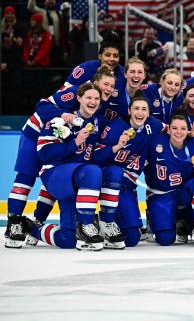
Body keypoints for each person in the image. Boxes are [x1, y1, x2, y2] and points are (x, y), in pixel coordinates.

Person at [6, 83, 123, 251]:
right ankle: (86, 226)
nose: (93, 101)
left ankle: (30, 227)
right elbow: (45, 153)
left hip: (76, 180)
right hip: (56, 176)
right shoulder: (61, 121)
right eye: (89, 97)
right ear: (78, 98)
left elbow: (92, 155)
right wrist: (75, 142)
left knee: (67, 239)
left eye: (96, 98)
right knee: (91, 171)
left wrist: (116, 147)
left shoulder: (95, 121)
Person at [93, 93, 164, 247]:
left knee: (131, 238)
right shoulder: (115, 128)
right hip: (108, 183)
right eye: (136, 108)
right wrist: (117, 146)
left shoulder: (154, 125)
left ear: (149, 112)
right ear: (129, 110)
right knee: (115, 172)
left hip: (127, 188)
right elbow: (96, 157)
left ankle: (99, 222)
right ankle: (102, 221)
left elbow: (173, 130)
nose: (140, 113)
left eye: (144, 109)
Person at [144, 111, 194, 246]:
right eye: (175, 128)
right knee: (165, 239)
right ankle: (155, 218)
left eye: (183, 128)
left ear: (188, 130)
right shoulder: (155, 142)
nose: (179, 132)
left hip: (183, 193)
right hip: (161, 195)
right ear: (168, 129)